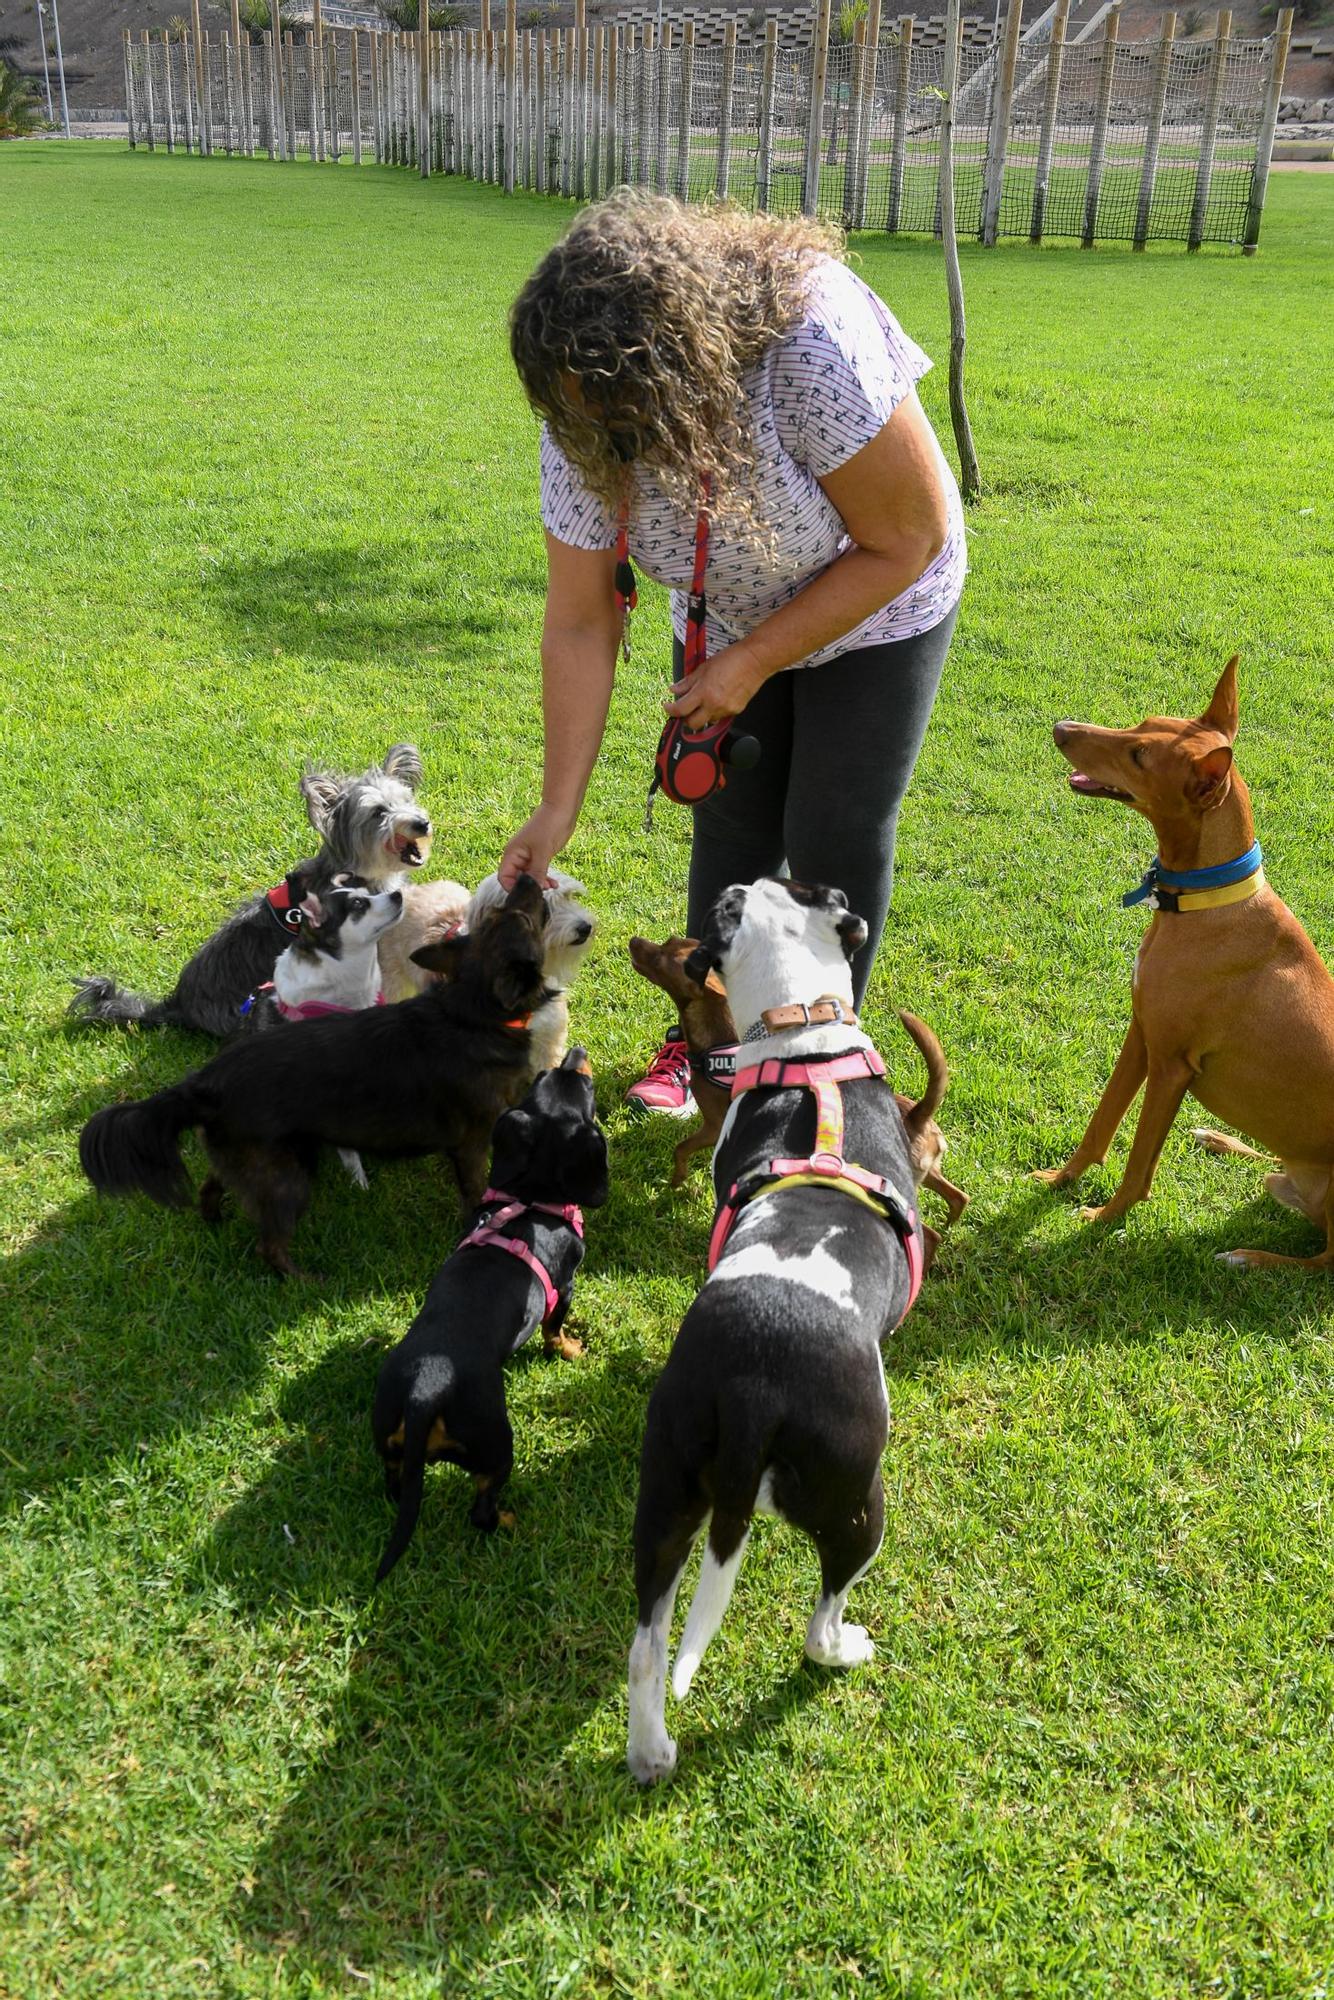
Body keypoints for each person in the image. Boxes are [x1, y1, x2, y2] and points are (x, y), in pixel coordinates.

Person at [501, 190, 965, 1115]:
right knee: (735, 824)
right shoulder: (579, 412)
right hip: (725, 617)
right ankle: (710, 1042)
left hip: (879, 599)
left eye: (624, 420)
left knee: (834, 829)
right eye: (580, 420)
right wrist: (556, 810)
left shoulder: (808, 342)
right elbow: (584, 618)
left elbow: (906, 537)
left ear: (682, 364)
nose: (600, 442)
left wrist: (753, 663)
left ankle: (813, 1060)